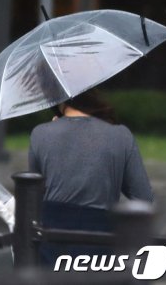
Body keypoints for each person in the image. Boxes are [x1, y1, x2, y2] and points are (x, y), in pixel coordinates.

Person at [28, 89, 154, 266]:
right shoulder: (120, 136)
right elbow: (144, 197)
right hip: (101, 240)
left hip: (53, 241)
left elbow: (32, 195)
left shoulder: (40, 134)